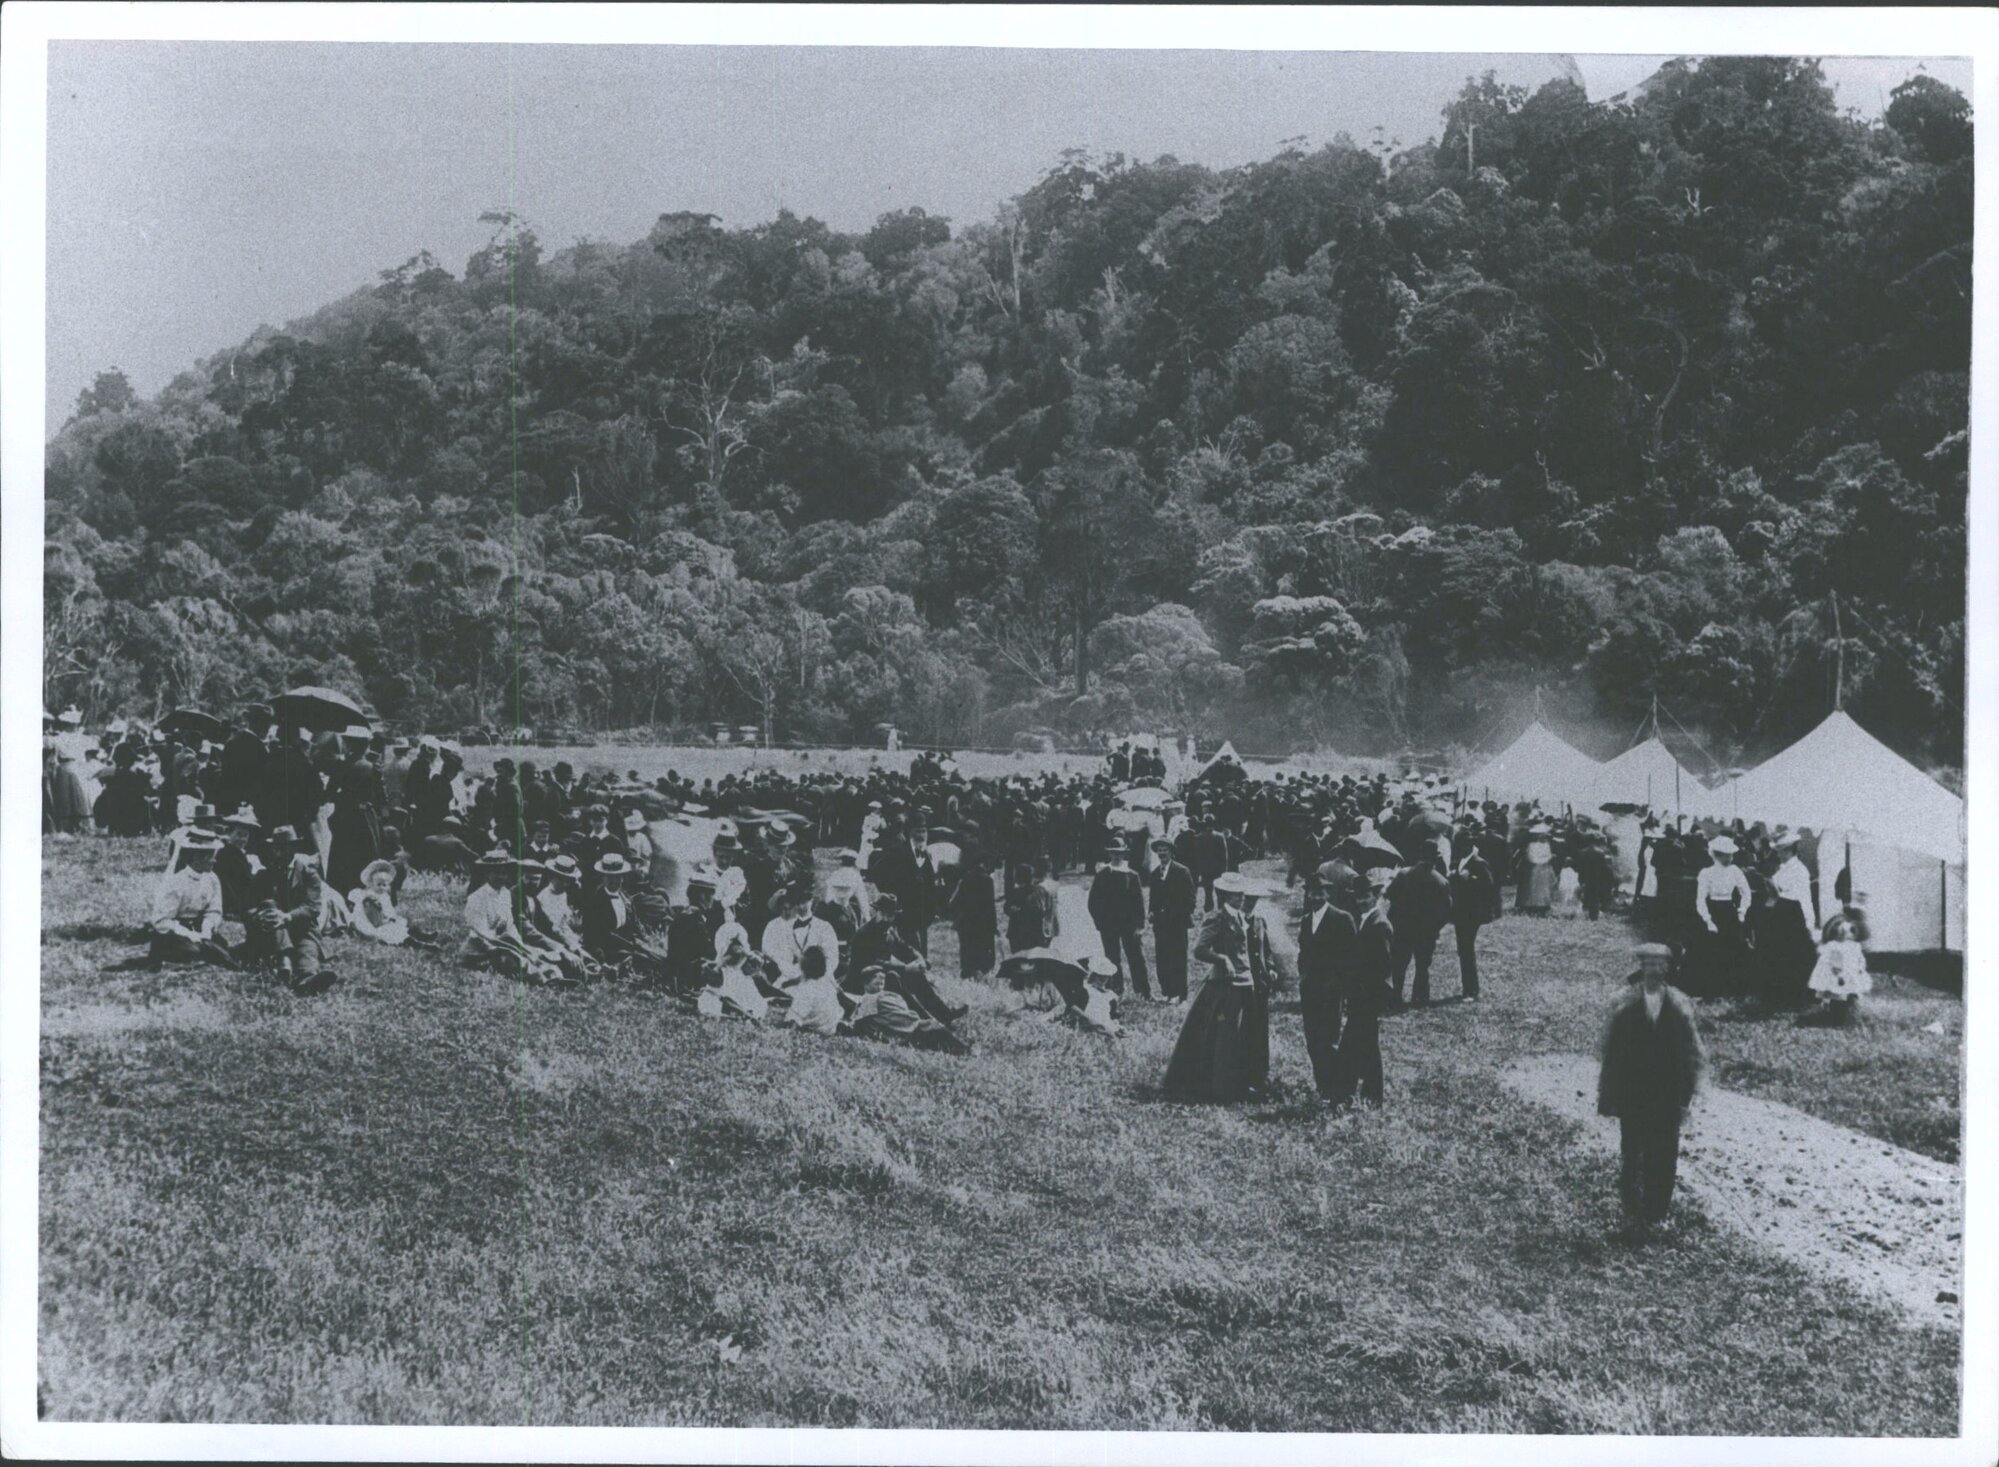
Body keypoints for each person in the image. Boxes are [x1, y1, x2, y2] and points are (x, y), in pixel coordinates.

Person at [1597, 943, 1705, 1232]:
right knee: (1632, 1151)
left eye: (1660, 964)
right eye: (1649, 964)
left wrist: (1690, 1091)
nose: (1654, 970)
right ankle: (1632, 1211)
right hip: (1634, 1090)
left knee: (1665, 1152)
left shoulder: (1679, 1005)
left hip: (1667, 1092)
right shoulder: (1624, 1004)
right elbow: (1612, 1052)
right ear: (1641, 967)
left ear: (1667, 968)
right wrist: (1608, 1092)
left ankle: (1658, 1212)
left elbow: (1692, 1051)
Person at [1161, 872, 1272, 1103]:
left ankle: (1244, 1082)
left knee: (1245, 1035)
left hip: (1247, 983)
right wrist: (1222, 959)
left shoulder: (1243, 917)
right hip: (1226, 985)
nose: (1241, 898)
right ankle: (1221, 1088)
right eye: (1236, 895)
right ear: (1226, 896)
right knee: (1225, 1037)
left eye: (1242, 894)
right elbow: (1199, 950)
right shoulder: (1217, 919)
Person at [1329, 868, 1396, 1109]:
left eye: (1366, 896)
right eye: (1358, 897)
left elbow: (1383, 967)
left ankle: (1346, 1094)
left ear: (1376, 896)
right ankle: (1369, 1095)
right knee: (1366, 1045)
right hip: (1361, 994)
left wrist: (1367, 993)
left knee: (1353, 1046)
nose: (1361, 901)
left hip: (1368, 995)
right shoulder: (1366, 920)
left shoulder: (1379, 925)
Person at [245, 825, 339, 994]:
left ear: (294, 848)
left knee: (307, 950)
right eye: (276, 848)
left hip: (300, 927)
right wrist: (260, 916)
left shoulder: (309, 874)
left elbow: (312, 907)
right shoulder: (264, 875)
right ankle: (284, 964)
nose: (278, 853)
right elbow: (249, 907)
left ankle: (307, 980)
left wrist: (287, 916)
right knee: (269, 906)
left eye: (284, 848)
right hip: (270, 930)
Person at [1297, 879, 1356, 1102]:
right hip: (1310, 990)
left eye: (1320, 893)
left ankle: (1335, 1088)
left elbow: (1351, 955)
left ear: (1328, 894)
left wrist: (1343, 986)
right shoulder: (1306, 920)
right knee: (1312, 1039)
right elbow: (1303, 952)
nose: (1315, 897)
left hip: (1332, 991)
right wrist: (1303, 975)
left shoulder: (1342, 918)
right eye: (1312, 893)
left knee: (1329, 1039)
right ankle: (1322, 1086)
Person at [145, 832, 238, 967]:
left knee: (221, 950)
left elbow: (214, 909)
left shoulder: (212, 879)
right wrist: (188, 934)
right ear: (196, 858)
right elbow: (161, 921)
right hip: (173, 932)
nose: (214, 861)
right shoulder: (177, 882)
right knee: (194, 951)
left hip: (199, 926)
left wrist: (207, 928)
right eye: (209, 857)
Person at [843, 965, 971, 1054]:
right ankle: (964, 1050)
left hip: (909, 1025)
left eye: (882, 984)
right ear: (865, 984)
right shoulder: (869, 999)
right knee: (934, 1031)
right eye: (876, 984)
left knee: (936, 1031)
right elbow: (860, 1019)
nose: (880, 987)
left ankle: (962, 1048)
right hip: (903, 1031)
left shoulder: (884, 995)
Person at [1689, 835, 1752, 997]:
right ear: (1717, 855)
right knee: (1710, 949)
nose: (1730, 858)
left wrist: (1742, 911)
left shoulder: (1735, 871)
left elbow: (1746, 893)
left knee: (1733, 947)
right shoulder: (1706, 873)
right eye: (1727, 855)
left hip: (1729, 912)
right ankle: (1711, 988)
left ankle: (1732, 988)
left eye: (1731, 855)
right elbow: (1700, 899)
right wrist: (1708, 920)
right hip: (1712, 911)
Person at [1387, 850, 1452, 1007]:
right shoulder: (1441, 881)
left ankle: (1395, 996)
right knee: (1422, 966)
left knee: (1399, 964)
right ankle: (1420, 997)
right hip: (1427, 931)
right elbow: (1447, 910)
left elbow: (1390, 894)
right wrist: (1436, 926)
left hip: (1402, 927)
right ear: (1435, 860)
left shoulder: (1403, 874)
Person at [1086, 847, 1151, 998]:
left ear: (1124, 854)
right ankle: (1115, 989)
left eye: (1119, 853)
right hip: (1109, 925)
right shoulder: (1102, 874)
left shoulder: (1132, 875)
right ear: (1109, 854)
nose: (1116, 856)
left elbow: (1139, 903)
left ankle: (1143, 991)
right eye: (1114, 853)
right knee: (1112, 957)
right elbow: (1093, 901)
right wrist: (1100, 921)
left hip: (1129, 925)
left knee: (1136, 957)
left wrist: (1139, 926)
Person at [1147, 837, 1197, 1004]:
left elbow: (1190, 900)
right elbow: (1153, 898)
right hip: (1160, 924)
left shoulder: (1182, 871)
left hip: (1177, 924)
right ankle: (1167, 991)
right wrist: (1151, 912)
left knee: (1177, 958)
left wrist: (1178, 915)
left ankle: (1179, 993)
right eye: (1159, 850)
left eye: (1165, 850)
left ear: (1171, 852)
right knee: (1162, 957)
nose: (1162, 853)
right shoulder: (1155, 873)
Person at [1807, 897, 1872, 1023]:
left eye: (1852, 933)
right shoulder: (1834, 946)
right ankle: (1836, 1014)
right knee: (1837, 994)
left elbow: (1859, 958)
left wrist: (1860, 967)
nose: (1850, 935)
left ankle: (1848, 1009)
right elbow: (1835, 960)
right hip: (1839, 974)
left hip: (1851, 972)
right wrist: (1838, 973)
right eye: (1846, 932)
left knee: (1850, 992)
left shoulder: (1854, 946)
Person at [1449, 835, 1496, 1001]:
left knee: (1466, 949)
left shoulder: (1479, 863)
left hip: (1471, 914)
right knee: (1463, 949)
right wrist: (1455, 876)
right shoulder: (1460, 862)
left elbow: (1489, 886)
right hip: (1461, 912)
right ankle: (1468, 988)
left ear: (1469, 846)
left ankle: (1471, 990)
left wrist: (1471, 880)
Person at [949, 848, 1000, 980]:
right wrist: (994, 926)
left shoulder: (965, 878)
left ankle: (967, 974)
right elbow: (990, 906)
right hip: (982, 923)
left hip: (965, 922)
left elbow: (953, 902)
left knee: (967, 950)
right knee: (983, 951)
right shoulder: (987, 881)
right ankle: (980, 974)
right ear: (984, 864)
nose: (992, 870)